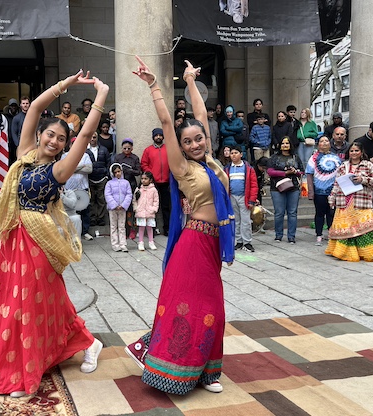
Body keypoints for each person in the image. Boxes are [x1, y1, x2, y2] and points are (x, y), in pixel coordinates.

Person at [0, 70, 109, 397]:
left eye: (61, 139)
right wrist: (65, 84)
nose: (54, 141)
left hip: (38, 242)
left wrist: (101, 95)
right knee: (20, 303)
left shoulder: (60, 169)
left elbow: (85, 135)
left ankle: (27, 372)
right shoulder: (24, 154)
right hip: (13, 240)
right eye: (50, 135)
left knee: (30, 305)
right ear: (39, 135)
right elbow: (37, 107)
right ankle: (86, 343)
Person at [125, 56, 234, 395]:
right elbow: (166, 122)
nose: (194, 144)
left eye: (199, 139)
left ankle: (205, 370)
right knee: (194, 308)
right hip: (193, 244)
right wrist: (154, 86)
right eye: (188, 142)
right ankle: (171, 366)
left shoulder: (211, 160)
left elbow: (200, 114)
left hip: (212, 244)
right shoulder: (183, 168)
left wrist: (189, 81)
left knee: (212, 310)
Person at [326, 141, 373, 262]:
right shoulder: (343, 166)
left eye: (356, 150)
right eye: (352, 151)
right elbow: (337, 183)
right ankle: (345, 252)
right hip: (344, 201)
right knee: (346, 229)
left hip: (361, 201)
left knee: (365, 229)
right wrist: (332, 198)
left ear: (361, 152)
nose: (354, 153)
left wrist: (362, 179)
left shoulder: (368, 165)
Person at [305, 136, 342, 246]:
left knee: (331, 214)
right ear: (318, 144)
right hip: (319, 190)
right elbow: (309, 174)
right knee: (319, 213)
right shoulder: (313, 158)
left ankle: (331, 234)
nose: (324, 143)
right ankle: (319, 235)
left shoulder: (336, 157)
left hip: (333, 191)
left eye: (326, 141)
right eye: (322, 141)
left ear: (330, 144)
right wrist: (310, 191)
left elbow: (341, 172)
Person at [267, 136, 303, 243]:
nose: (285, 145)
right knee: (279, 212)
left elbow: (302, 171)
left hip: (293, 187)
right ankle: (278, 235)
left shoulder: (295, 157)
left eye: (287, 143)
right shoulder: (274, 157)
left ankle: (291, 236)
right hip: (277, 187)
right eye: (283, 143)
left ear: (290, 145)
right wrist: (285, 173)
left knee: (292, 212)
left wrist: (295, 172)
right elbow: (270, 172)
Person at [224, 145, 258, 252]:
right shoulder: (227, 168)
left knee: (246, 221)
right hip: (232, 197)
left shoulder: (248, 168)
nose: (233, 155)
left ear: (241, 154)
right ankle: (239, 241)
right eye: (232, 153)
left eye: (236, 153)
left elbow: (254, 185)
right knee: (236, 221)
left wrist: (252, 200)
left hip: (244, 197)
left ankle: (247, 242)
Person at [63, 137, 94, 241]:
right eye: (73, 143)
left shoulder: (85, 155)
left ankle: (85, 232)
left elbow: (89, 169)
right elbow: (65, 169)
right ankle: (71, 232)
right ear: (70, 145)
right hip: (69, 189)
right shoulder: (65, 156)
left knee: (85, 211)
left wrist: (72, 168)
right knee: (70, 211)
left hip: (83, 188)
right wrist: (81, 166)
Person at [141, 128, 170, 236]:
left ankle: (167, 228)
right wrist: (151, 174)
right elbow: (144, 164)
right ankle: (151, 229)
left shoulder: (168, 149)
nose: (158, 137)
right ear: (153, 137)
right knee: (151, 206)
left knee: (166, 207)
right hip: (153, 183)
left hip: (166, 182)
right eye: (156, 135)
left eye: (160, 135)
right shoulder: (148, 150)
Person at [353, 119, 373, 215]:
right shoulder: (359, 142)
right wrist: (370, 161)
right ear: (370, 130)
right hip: (364, 180)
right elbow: (354, 161)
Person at [114, 138, 141, 240]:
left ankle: (132, 230)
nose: (126, 150)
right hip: (120, 185)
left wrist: (130, 170)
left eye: (128, 148)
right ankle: (123, 230)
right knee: (121, 208)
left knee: (131, 208)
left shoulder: (135, 158)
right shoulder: (118, 157)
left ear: (132, 148)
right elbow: (113, 169)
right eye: (124, 148)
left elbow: (138, 171)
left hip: (131, 184)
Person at [104, 163, 132, 252]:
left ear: (121, 171)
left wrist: (123, 205)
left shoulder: (126, 183)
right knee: (113, 226)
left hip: (122, 208)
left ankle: (123, 244)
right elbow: (107, 195)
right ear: (112, 173)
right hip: (113, 209)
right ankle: (115, 244)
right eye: (115, 172)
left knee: (122, 226)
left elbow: (129, 194)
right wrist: (114, 205)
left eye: (119, 171)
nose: (117, 174)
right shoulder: (109, 183)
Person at [133, 171, 159, 251]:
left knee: (150, 227)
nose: (143, 180)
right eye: (142, 179)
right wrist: (136, 208)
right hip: (140, 211)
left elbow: (156, 200)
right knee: (141, 227)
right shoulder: (138, 189)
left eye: (146, 179)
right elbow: (134, 200)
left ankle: (151, 242)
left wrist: (154, 209)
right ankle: (140, 242)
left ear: (150, 180)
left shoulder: (153, 190)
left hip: (150, 211)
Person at [9, 96, 30, 161]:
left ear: (29, 104)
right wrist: (18, 145)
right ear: (20, 105)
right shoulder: (16, 118)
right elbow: (14, 132)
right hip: (21, 144)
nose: (25, 105)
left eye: (27, 103)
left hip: (31, 144)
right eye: (23, 103)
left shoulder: (33, 116)